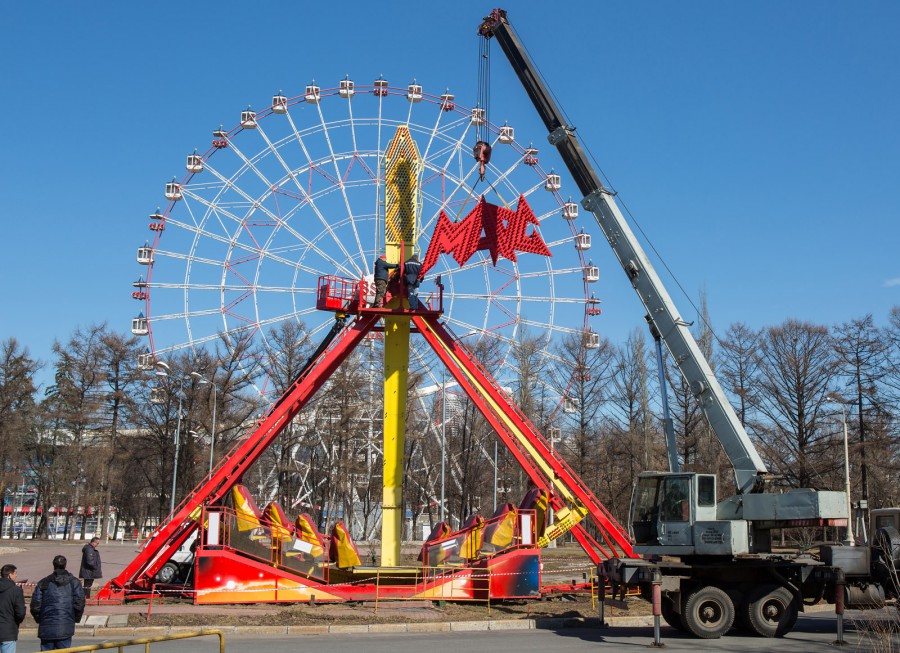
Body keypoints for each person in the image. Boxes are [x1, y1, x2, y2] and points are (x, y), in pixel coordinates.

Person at [30, 555, 85, 651]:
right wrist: (74, 618)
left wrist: (41, 619)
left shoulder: (44, 582)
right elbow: (79, 603)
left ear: (53, 565)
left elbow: (35, 605)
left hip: (47, 624)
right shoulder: (74, 582)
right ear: (65, 565)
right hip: (65, 624)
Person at [0, 564, 25, 653]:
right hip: (8, 631)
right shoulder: (16, 590)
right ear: (10, 575)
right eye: (15, 573)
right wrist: (16, 622)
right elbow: (20, 612)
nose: (16, 575)